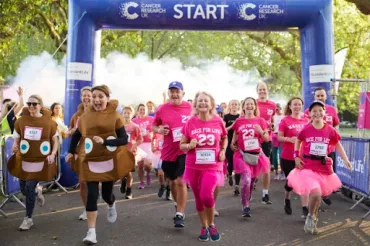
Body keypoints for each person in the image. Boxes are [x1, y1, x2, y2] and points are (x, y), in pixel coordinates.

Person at [66, 85, 135, 244]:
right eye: (94, 96)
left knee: (106, 194)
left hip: (108, 161)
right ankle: (91, 232)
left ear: (107, 98)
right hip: (90, 161)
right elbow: (77, 135)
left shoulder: (115, 116)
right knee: (91, 194)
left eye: (100, 97)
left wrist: (105, 141)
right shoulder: (85, 117)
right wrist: (71, 152)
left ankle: (111, 204)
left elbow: (124, 139)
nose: (96, 100)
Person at [287, 100, 352, 234]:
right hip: (307, 167)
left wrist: (345, 159)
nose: (317, 113)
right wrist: (296, 156)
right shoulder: (306, 129)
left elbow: (337, 144)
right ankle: (310, 217)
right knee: (315, 194)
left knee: (318, 197)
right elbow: (298, 140)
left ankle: (313, 218)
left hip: (323, 168)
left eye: (320, 110)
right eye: (314, 111)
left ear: (324, 113)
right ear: (310, 114)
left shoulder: (330, 130)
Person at [180, 91, 227, 241]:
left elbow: (225, 137)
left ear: (211, 104)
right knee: (198, 198)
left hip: (213, 165)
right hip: (194, 166)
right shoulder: (190, 122)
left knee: (206, 195)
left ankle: (211, 224)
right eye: (200, 101)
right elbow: (182, 146)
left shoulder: (218, 121)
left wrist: (224, 150)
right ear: (195, 104)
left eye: (206, 101)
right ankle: (203, 226)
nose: (203, 103)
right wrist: (189, 144)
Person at [8, 94, 58, 231]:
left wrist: (53, 154)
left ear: (40, 106)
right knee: (24, 189)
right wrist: (14, 145)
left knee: (29, 187)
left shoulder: (49, 123)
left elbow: (55, 141)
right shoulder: (21, 122)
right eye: (29, 104)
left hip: (40, 161)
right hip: (24, 160)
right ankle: (38, 191)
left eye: (34, 104)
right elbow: (17, 138)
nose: (31, 106)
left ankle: (28, 218)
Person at [152, 81, 192, 228]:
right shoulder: (162, 109)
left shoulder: (190, 108)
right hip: (168, 151)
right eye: (172, 91)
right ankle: (177, 205)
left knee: (181, 181)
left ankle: (180, 213)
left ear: (183, 93)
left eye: (177, 91)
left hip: (185, 150)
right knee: (173, 181)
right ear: (168, 93)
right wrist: (159, 130)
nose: (174, 94)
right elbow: (154, 125)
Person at [231, 97, 270, 217]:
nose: (249, 106)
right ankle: (245, 205)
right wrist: (233, 143)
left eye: (251, 104)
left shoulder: (261, 120)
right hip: (242, 154)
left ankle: (247, 196)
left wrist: (261, 131)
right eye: (247, 104)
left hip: (256, 155)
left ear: (255, 106)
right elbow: (236, 133)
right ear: (243, 107)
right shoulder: (239, 121)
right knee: (246, 179)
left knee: (252, 182)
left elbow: (267, 139)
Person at [304, 87, 340, 206]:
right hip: (314, 148)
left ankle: (324, 193)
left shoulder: (332, 110)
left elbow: (336, 126)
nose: (320, 97)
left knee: (328, 172)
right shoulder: (308, 111)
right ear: (314, 97)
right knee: (315, 173)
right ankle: (317, 195)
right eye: (318, 96)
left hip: (328, 148)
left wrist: (335, 139)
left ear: (325, 96)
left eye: (322, 95)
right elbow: (305, 129)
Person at [277, 97, 309, 218]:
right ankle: (287, 199)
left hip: (303, 156)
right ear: (290, 106)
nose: (297, 107)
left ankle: (305, 209)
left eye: (299, 104)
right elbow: (279, 137)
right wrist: (288, 139)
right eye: (294, 104)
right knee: (290, 183)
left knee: (303, 181)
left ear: (302, 106)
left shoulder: (306, 120)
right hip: (287, 156)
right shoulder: (285, 120)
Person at [65, 86, 92, 221]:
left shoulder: (98, 113)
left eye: (89, 95)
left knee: (92, 182)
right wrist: (69, 132)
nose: (86, 98)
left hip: (94, 151)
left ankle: (95, 204)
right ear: (81, 97)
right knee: (82, 182)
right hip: (79, 151)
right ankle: (87, 209)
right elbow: (71, 130)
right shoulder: (76, 115)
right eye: (84, 95)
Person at [256, 81, 275, 204]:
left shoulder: (272, 105)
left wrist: (272, 125)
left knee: (266, 166)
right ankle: (250, 184)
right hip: (253, 139)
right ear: (257, 91)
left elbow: (271, 120)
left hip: (266, 138)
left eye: (264, 89)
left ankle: (265, 193)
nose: (262, 91)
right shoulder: (253, 103)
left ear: (267, 90)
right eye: (260, 89)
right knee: (252, 165)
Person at [120, 106, 143, 199]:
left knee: (129, 172)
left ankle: (129, 191)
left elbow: (140, 139)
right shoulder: (119, 126)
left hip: (131, 152)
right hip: (120, 151)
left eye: (128, 113)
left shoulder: (135, 126)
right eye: (125, 113)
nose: (126, 115)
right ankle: (123, 181)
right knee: (122, 171)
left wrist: (134, 145)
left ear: (132, 115)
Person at [133, 104, 154, 189]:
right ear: (138, 111)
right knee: (140, 166)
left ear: (146, 111)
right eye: (140, 109)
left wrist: (151, 134)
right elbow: (132, 133)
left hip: (148, 144)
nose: (142, 111)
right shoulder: (134, 121)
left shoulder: (151, 119)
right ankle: (141, 182)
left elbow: (155, 131)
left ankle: (148, 174)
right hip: (139, 144)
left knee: (147, 165)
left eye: (143, 109)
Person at [223, 99, 241, 195]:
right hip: (228, 141)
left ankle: (237, 185)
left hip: (239, 142)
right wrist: (233, 125)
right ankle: (229, 175)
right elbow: (223, 130)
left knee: (237, 163)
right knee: (230, 161)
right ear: (229, 106)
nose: (234, 106)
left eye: (236, 104)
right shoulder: (226, 116)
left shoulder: (240, 116)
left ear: (238, 106)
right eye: (232, 104)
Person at [272, 103, 284, 180]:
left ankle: (282, 172)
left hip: (282, 137)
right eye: (275, 108)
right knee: (275, 156)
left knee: (281, 155)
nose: (277, 109)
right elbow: (271, 127)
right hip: (274, 136)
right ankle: (276, 172)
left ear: (281, 108)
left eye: (278, 108)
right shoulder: (273, 117)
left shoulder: (284, 117)